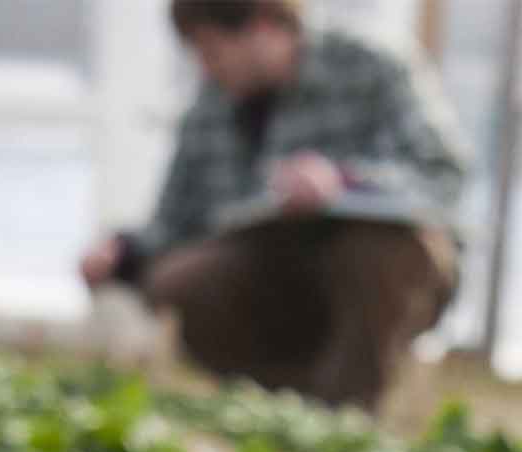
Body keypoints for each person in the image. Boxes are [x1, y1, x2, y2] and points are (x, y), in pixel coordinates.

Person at [79, 0, 469, 409]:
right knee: (177, 277)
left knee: (380, 251)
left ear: (265, 25)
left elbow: (443, 171)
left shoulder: (371, 65)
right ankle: (280, 400)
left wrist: (345, 182)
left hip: (385, 266)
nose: (206, 67)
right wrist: (121, 251)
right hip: (276, 275)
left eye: (212, 50)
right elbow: (175, 221)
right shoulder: (211, 105)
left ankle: (349, 408)